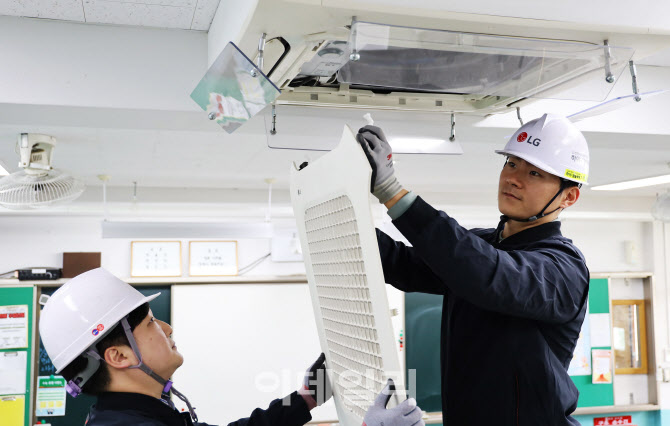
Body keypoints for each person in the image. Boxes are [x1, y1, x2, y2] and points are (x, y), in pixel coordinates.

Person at [356, 114, 591, 426]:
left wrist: (392, 191)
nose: (513, 178)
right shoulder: (482, 244)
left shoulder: (564, 268)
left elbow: (488, 274)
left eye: (534, 172)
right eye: (511, 164)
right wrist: (345, 215)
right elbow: (403, 265)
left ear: (568, 196)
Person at [39, 268, 424, 426]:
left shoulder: (138, 415)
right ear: (118, 357)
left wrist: (308, 396)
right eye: (152, 323)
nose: (168, 327)